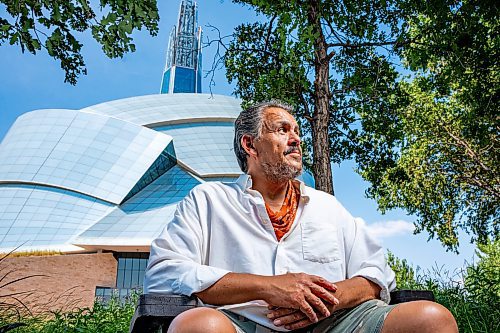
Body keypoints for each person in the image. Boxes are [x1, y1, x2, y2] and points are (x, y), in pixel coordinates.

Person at [144, 101, 458, 333]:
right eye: (282, 130)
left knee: (431, 319)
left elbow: (376, 274)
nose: (296, 139)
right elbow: (165, 271)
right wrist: (267, 287)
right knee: (197, 327)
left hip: (334, 323)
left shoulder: (328, 207)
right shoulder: (209, 201)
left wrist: (327, 300)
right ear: (249, 144)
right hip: (242, 323)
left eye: (297, 131)